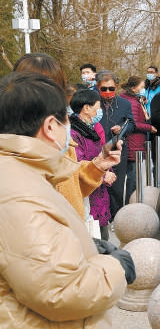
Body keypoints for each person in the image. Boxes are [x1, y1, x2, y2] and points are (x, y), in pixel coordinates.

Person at [0, 71, 134, 329]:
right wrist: (116, 267)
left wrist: (86, 247)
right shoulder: (19, 194)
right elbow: (60, 290)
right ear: (50, 126)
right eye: (65, 122)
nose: (69, 133)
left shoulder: (23, 173)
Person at [13, 52, 115, 219]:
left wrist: (97, 166)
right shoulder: (13, 139)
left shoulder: (61, 130)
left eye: (54, 86)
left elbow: (72, 184)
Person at [70, 89, 116, 240]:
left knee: (103, 238)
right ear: (86, 108)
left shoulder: (91, 129)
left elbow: (100, 154)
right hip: (87, 198)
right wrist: (103, 175)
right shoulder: (73, 133)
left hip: (100, 195)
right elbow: (78, 165)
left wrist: (109, 166)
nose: (100, 111)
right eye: (98, 107)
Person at [98, 72, 136, 220]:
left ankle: (115, 217)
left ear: (117, 87)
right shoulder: (93, 103)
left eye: (111, 88)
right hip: (98, 149)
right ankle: (101, 216)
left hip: (117, 149)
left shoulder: (125, 103)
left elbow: (132, 124)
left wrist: (121, 128)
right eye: (104, 89)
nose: (108, 92)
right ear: (98, 87)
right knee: (99, 184)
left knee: (117, 186)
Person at [119, 75, 157, 203]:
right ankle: (130, 204)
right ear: (134, 88)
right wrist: (149, 127)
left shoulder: (134, 99)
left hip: (134, 141)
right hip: (133, 142)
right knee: (133, 177)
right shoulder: (132, 103)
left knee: (133, 176)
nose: (143, 90)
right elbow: (134, 123)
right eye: (141, 87)